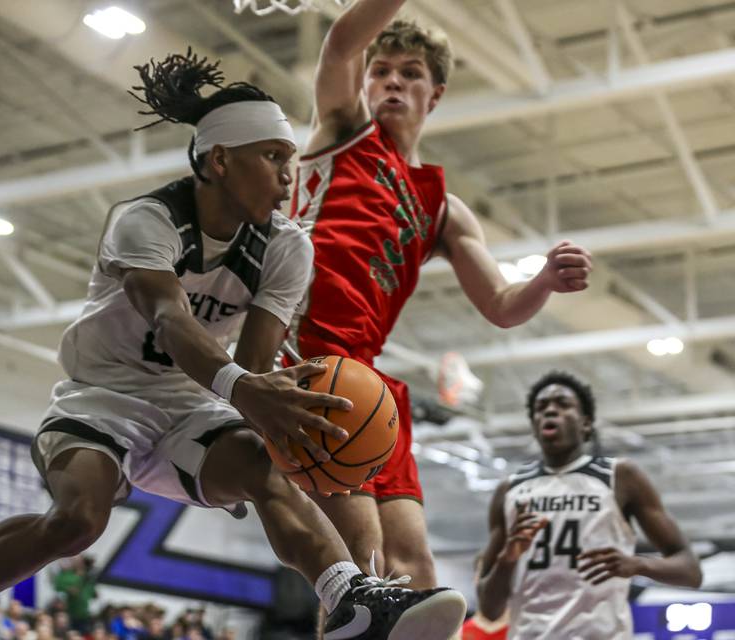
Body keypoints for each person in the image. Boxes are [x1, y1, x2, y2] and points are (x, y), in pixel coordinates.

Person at [0, 50, 466, 640]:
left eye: (291, 160)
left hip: (193, 405)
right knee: (76, 524)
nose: (289, 176)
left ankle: (353, 599)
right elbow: (168, 319)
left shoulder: (287, 245)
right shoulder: (146, 220)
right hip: (103, 397)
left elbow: (256, 363)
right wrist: (244, 388)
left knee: (266, 472)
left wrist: (285, 423)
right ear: (220, 159)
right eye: (273, 157)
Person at [288, 0, 594, 602]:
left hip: (369, 381)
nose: (392, 80)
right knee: (365, 566)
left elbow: (503, 305)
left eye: (410, 72)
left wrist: (545, 283)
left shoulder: (445, 210)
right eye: (383, 70)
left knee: (415, 574)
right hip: (307, 354)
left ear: (437, 94)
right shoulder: (345, 129)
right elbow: (342, 46)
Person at [477, 371, 703, 639]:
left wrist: (638, 565)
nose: (550, 411)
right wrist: (508, 559)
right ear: (534, 425)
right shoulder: (509, 490)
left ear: (585, 424)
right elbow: (489, 610)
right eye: (541, 408)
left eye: (563, 404)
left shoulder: (620, 476)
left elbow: (690, 571)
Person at [460, 554, 507, 640]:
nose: (491, 581)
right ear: (476, 579)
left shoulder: (523, 627)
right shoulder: (461, 632)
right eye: (485, 573)